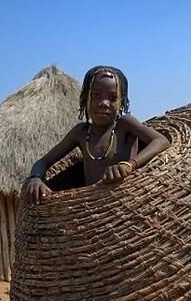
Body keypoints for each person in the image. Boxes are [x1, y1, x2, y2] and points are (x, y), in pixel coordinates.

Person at [25, 66, 170, 203]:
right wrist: (36, 178)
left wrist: (129, 165)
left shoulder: (125, 125)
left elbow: (161, 140)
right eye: (96, 96)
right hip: (94, 207)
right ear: (86, 99)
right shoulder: (81, 132)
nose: (104, 103)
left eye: (112, 98)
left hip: (124, 200)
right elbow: (42, 162)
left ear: (121, 102)